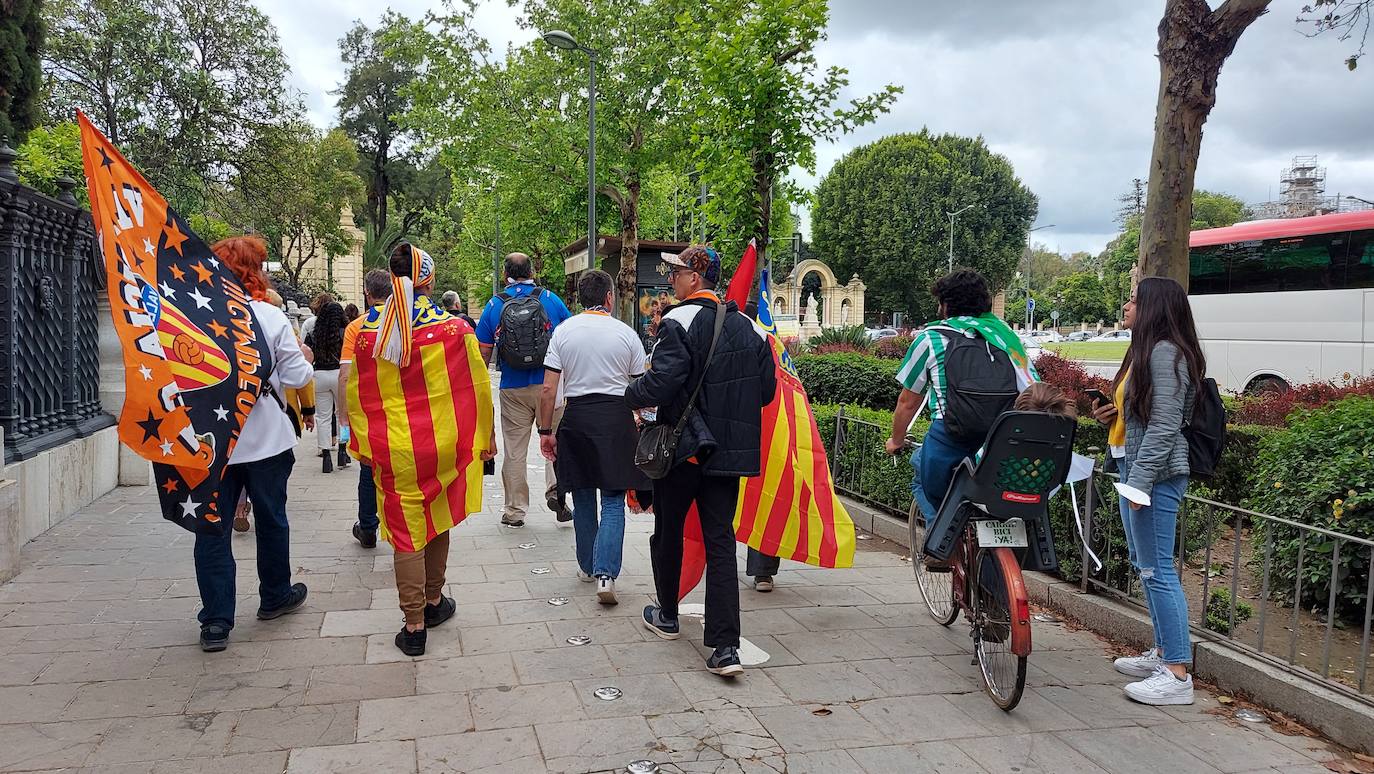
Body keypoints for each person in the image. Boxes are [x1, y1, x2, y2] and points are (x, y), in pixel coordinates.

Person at [626, 245, 777, 677]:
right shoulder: (751, 329)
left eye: (675, 273)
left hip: (685, 450)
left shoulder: (678, 320)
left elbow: (663, 381)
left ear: (695, 278)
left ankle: (668, 615)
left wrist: (630, 394)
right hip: (729, 454)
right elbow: (764, 393)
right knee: (720, 543)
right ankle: (726, 648)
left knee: (669, 531)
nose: (669, 279)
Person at [347, 243, 496, 656]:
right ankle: (433, 602)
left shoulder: (365, 332)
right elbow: (478, 388)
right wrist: (486, 438)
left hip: (394, 447)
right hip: (444, 444)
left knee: (405, 533)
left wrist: (359, 443)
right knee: (439, 515)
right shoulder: (455, 330)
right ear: (427, 280)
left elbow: (357, 393)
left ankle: (414, 626)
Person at [195, 236, 315, 652]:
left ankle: (215, 621)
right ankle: (275, 595)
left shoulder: (195, 315)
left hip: (213, 446)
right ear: (252, 272)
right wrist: (303, 354)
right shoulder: (270, 316)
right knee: (271, 519)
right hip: (266, 440)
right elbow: (299, 379)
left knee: (212, 529)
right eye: (261, 266)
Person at [1093, 277, 1204, 706]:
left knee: (1158, 570)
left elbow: (1165, 426)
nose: (1126, 305)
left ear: (1154, 307)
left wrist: (1139, 482)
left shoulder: (1165, 353)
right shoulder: (1144, 351)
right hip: (1133, 469)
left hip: (1152, 477)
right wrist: (1111, 415)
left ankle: (1177, 674)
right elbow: (1141, 418)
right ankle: (1161, 653)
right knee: (1146, 565)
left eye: (1135, 300)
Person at [883, 270, 1037, 524]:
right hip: (1003, 434)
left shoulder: (931, 339)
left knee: (921, 474)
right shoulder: (1005, 338)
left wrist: (896, 441)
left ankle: (941, 543)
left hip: (950, 435)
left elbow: (907, 403)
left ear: (945, 306)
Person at [537, 270, 650, 606]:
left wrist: (546, 431)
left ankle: (586, 566)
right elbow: (642, 386)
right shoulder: (626, 334)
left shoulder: (563, 332)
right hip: (617, 419)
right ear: (610, 298)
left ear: (579, 298)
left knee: (583, 494)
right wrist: (644, 422)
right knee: (613, 499)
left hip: (578, 419)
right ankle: (606, 574)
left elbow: (548, 388)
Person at [475, 253, 573, 527]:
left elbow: (483, 351)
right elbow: (569, 337)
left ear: (505, 274)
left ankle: (515, 511)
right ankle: (557, 492)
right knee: (554, 440)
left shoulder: (495, 304)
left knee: (515, 449)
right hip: (550, 385)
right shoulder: (550, 299)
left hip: (512, 387)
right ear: (531, 271)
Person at [339, 269, 392, 549]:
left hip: (368, 409)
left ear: (367, 294)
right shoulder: (406, 324)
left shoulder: (356, 327)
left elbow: (346, 374)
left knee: (368, 469)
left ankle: (368, 527)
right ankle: (399, 525)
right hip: (401, 408)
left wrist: (343, 413)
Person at [305, 301, 347, 473]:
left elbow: (306, 354)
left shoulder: (314, 333)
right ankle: (343, 451)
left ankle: (326, 455)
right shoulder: (344, 332)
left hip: (320, 374)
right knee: (342, 413)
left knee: (323, 417)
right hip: (339, 374)